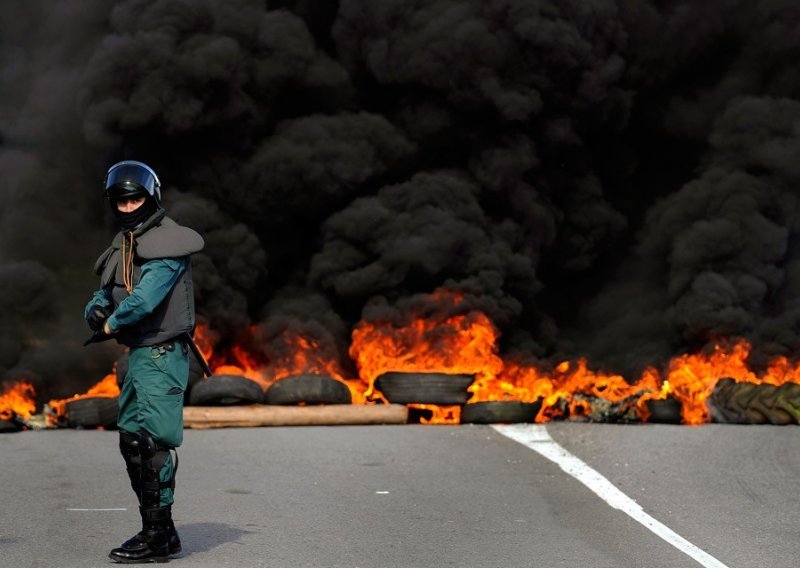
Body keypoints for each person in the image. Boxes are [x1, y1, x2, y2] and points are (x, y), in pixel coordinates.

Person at [84, 160, 204, 563]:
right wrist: (96, 309)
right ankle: (162, 533)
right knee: (131, 442)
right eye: (120, 201)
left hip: (161, 353)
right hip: (139, 355)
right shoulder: (127, 241)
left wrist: (109, 325)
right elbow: (110, 288)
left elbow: (145, 298)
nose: (128, 206)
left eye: (135, 198)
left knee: (152, 444)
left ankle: (156, 537)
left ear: (150, 196)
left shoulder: (168, 242)